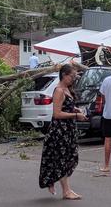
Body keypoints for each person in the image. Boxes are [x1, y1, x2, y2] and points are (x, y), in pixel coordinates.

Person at [39, 64, 87, 200]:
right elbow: (57, 114)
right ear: (64, 75)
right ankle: (66, 191)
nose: (74, 79)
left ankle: (54, 182)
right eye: (72, 76)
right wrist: (75, 116)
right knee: (62, 159)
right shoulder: (59, 90)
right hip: (60, 131)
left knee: (69, 158)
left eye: (75, 76)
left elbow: (67, 106)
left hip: (68, 130)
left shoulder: (67, 89)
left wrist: (75, 109)